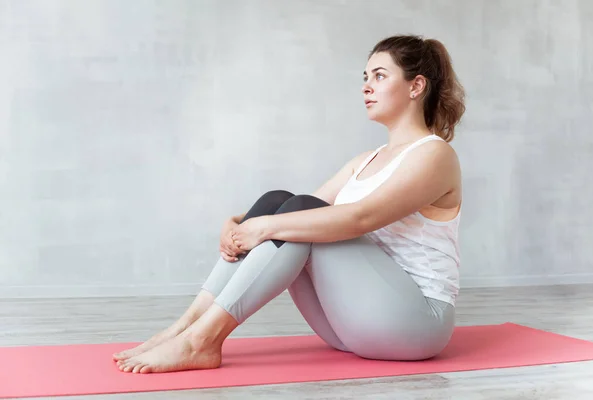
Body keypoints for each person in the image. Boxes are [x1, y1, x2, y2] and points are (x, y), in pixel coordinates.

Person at [113, 34, 466, 374]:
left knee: (296, 214)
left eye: (379, 75)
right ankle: (185, 328)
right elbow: (298, 208)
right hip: (350, 325)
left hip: (416, 326)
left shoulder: (434, 155)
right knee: (280, 201)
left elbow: (361, 218)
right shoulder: (365, 160)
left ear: (416, 86)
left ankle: (201, 341)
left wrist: (262, 228)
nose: (366, 86)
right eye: (365, 77)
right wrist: (236, 223)